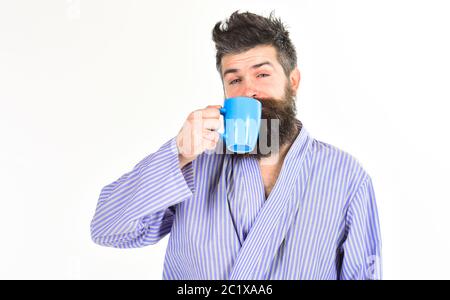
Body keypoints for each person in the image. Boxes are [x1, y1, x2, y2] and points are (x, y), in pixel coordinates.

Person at [90, 10, 382, 280]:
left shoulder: (346, 177)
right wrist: (178, 154)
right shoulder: (195, 164)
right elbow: (107, 229)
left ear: (293, 81)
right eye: (235, 80)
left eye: (262, 74)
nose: (248, 91)